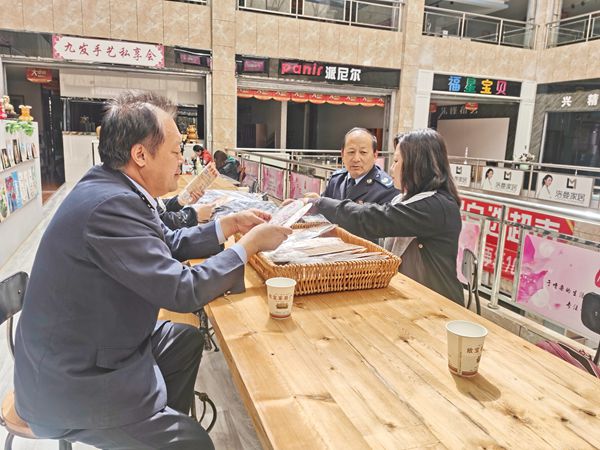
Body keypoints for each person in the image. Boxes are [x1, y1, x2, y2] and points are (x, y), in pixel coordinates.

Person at [13, 90, 291, 449]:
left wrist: (230, 225)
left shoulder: (114, 188)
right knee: (192, 442)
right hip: (72, 380)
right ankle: (158, 433)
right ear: (140, 155)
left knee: (184, 339)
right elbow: (182, 290)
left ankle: (154, 427)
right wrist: (248, 245)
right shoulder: (111, 205)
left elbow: (167, 241)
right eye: (175, 151)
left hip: (95, 342)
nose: (182, 161)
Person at [303, 129, 464, 305]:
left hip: (439, 303)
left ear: (416, 164)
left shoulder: (436, 207)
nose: (392, 168)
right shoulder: (405, 199)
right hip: (411, 294)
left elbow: (371, 218)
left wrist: (319, 203)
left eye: (396, 161)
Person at [321, 127, 399, 205]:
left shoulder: (387, 190)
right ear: (342, 154)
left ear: (375, 155)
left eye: (363, 152)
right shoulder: (336, 180)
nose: (356, 159)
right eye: (351, 152)